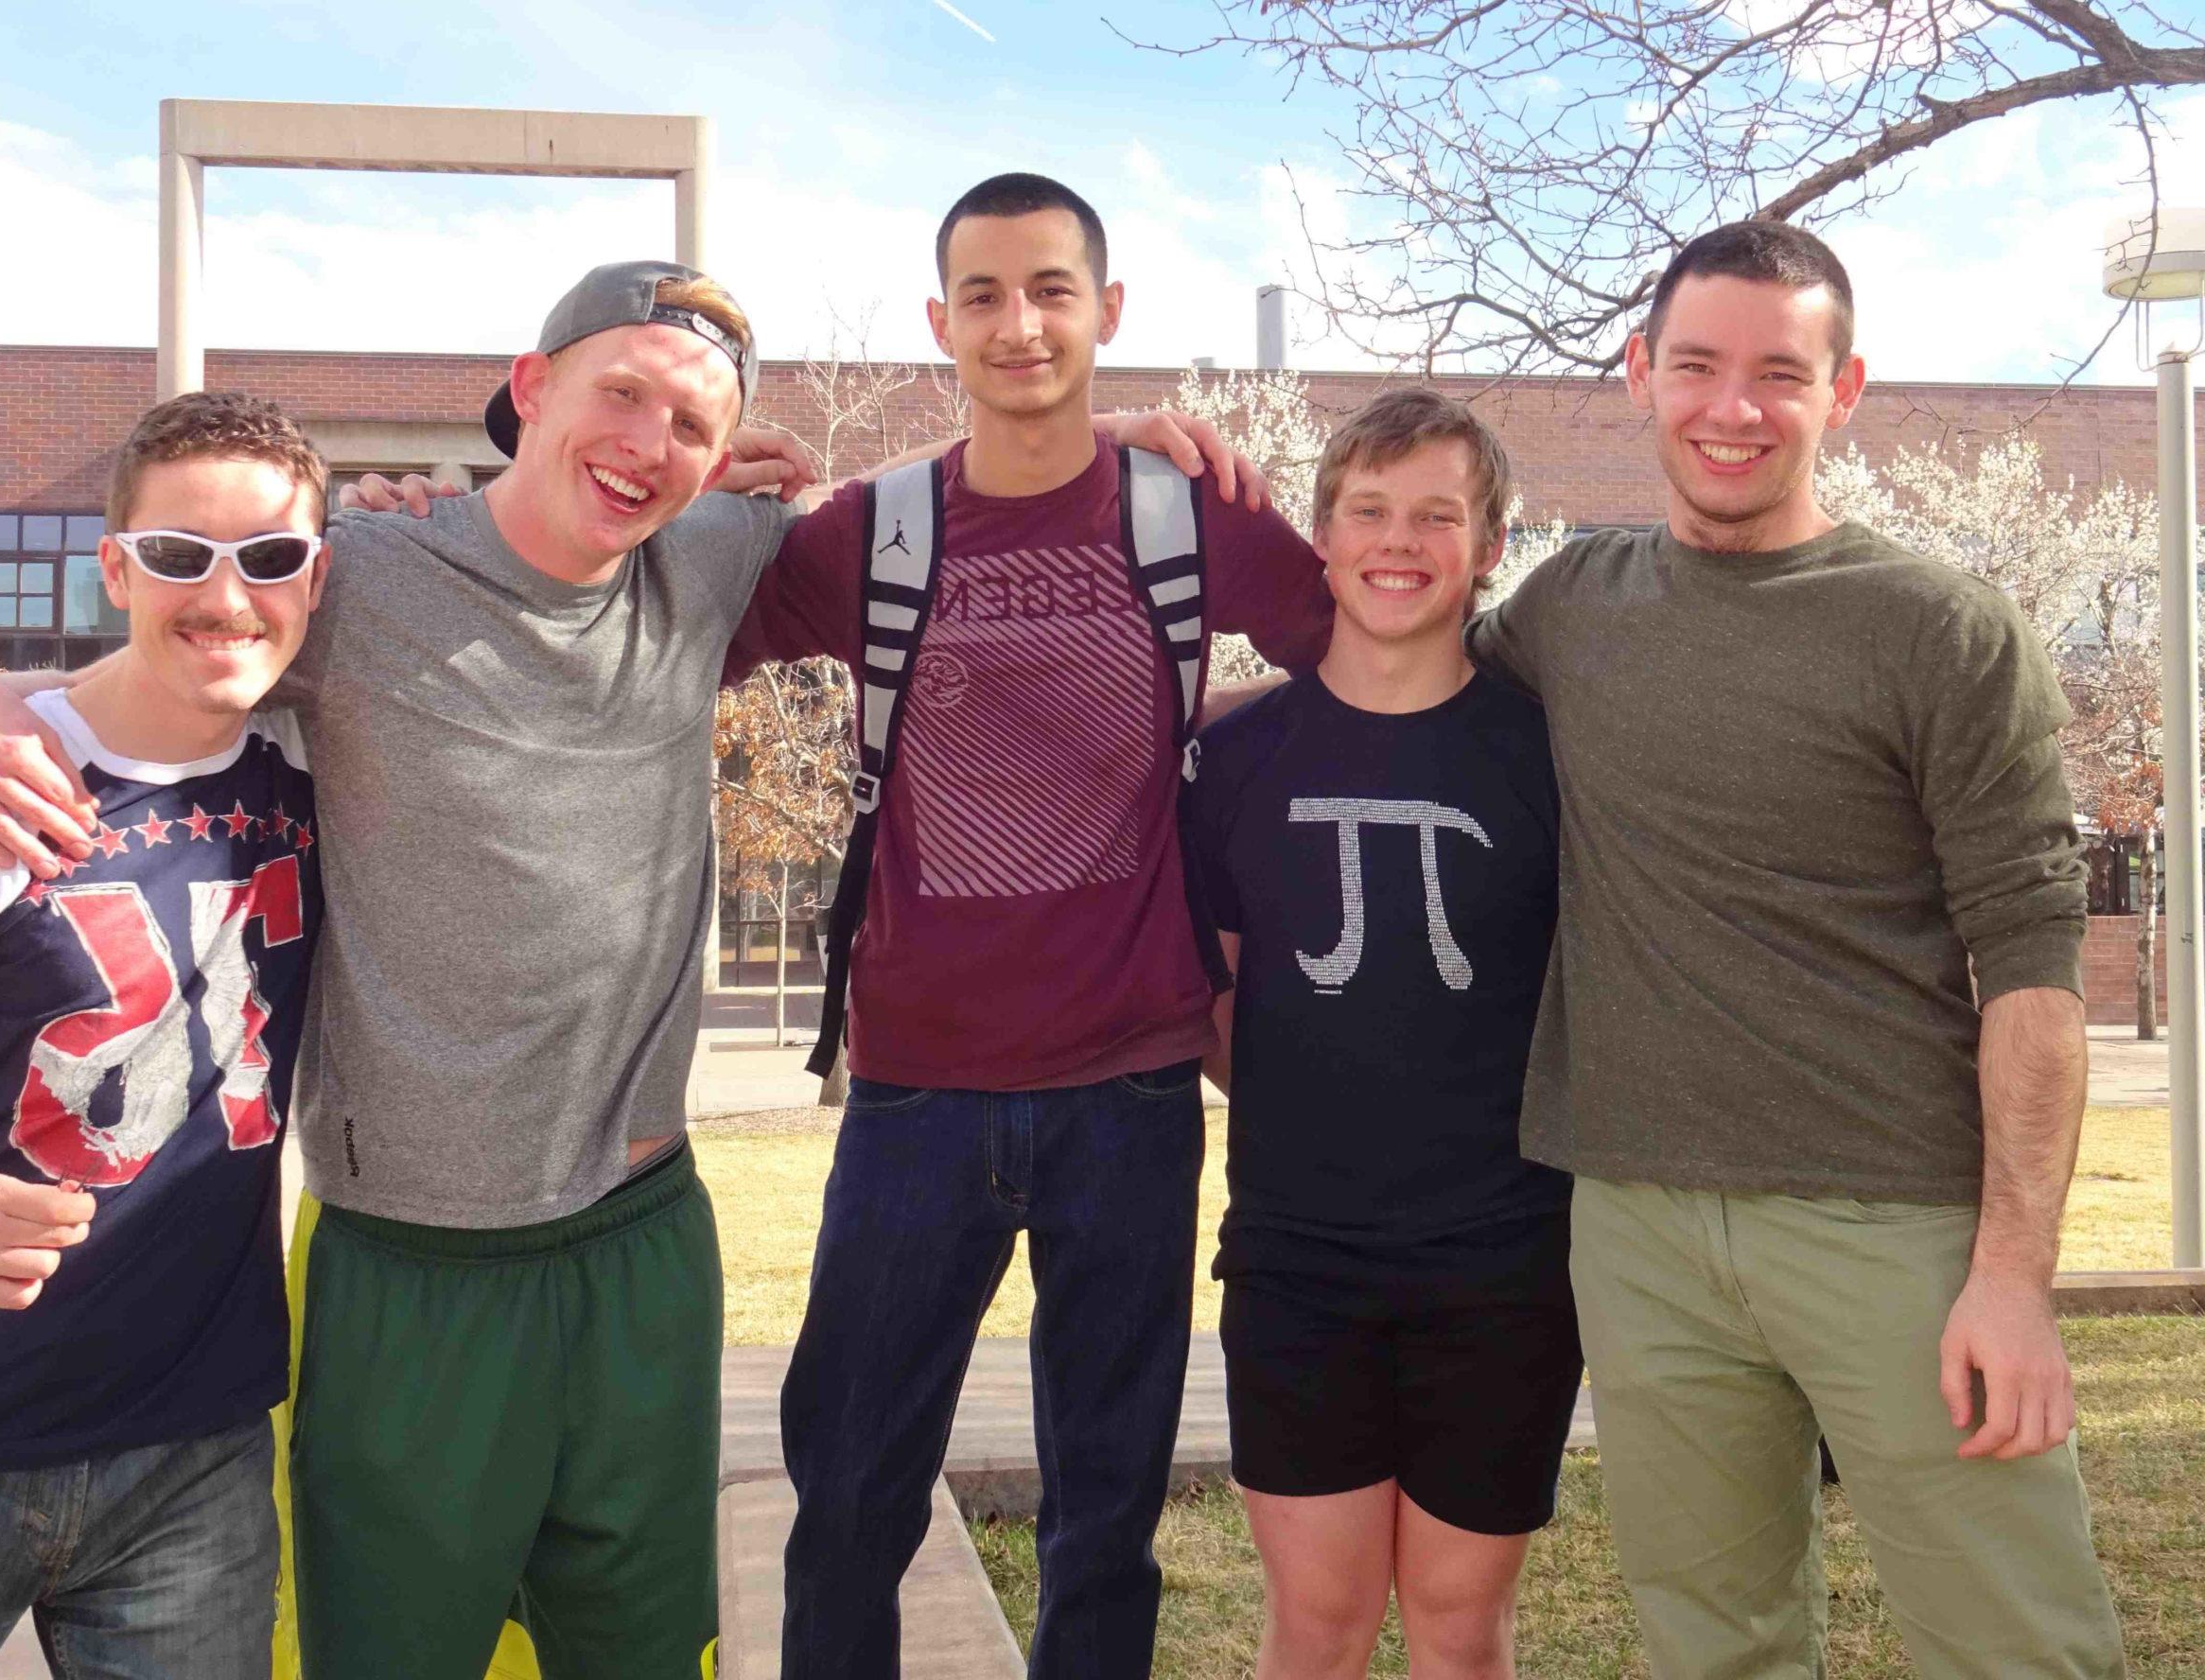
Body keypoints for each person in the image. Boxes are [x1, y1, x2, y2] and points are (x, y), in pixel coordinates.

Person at [0, 256, 1244, 1680]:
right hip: (413, 1264)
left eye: (691, 425)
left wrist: (1091, 446)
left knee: (640, 1650)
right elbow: (165, 651)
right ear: (533, 388)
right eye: (623, 395)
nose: (649, 446)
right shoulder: (358, 578)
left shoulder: (712, 554)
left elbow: (916, 501)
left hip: (639, 1242)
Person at [1466, 220, 2128, 1676]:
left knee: (2013, 1640)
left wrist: (2015, 1274)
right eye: (1696, 364)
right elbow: (1375, 653)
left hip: (1892, 1226)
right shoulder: (1570, 610)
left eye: (1780, 372)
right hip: (1636, 1220)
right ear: (1640, 374)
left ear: (1847, 391)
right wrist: (1150, 463)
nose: (1732, 406)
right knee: (1712, 1642)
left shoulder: (1942, 632)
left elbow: (2032, 966)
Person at [724, 173, 1334, 1680]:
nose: (1020, 323)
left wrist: (1230, 741)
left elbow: (1370, 659)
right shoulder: (873, 531)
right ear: (941, 323)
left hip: (1130, 1095)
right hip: (915, 1096)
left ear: (1107, 312)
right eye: (985, 296)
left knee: (1105, 1517)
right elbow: (642, 642)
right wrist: (680, 510)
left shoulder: (1192, 513)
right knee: (851, 1501)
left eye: (1052, 290)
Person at [0, 390, 330, 1677]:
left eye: (270, 557)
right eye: (180, 554)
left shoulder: (316, 764)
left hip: (193, 1455)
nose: (227, 596)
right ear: (115, 565)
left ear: (317, 574)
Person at [1185, 389, 1579, 1680]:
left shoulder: (1546, 752)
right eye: (1368, 511)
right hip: (1302, 1263)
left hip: (1505, 1263)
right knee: (1318, 1627)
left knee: (1463, 1631)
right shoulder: (1238, 752)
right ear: (1323, 537)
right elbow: (1221, 1000)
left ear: (1489, 548)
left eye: (1436, 516)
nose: (1398, 542)